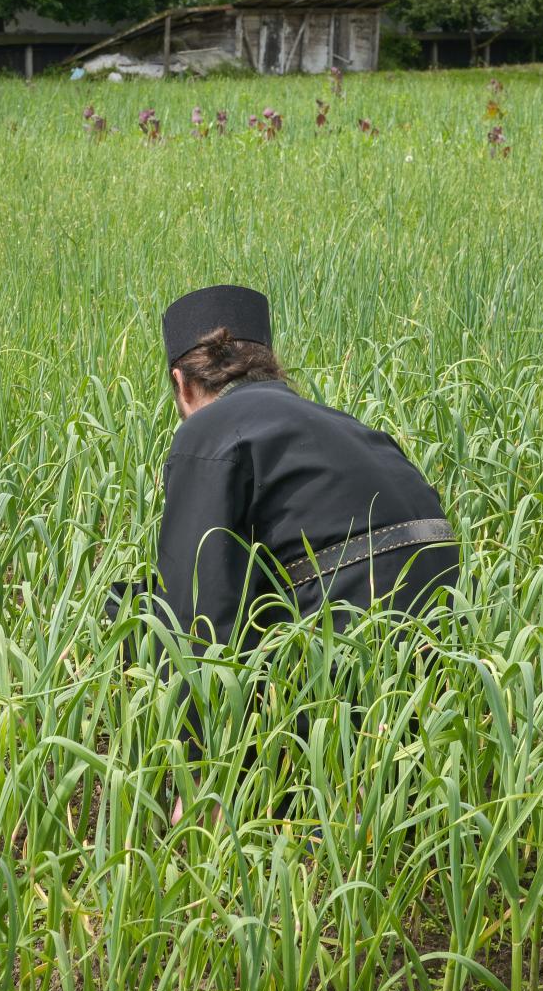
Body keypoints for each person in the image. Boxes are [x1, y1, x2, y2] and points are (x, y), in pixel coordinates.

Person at [115, 284, 460, 824]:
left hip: (344, 656)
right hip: (433, 667)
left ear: (181, 385)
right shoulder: (344, 425)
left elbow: (199, 607)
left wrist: (201, 771)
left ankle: (244, 792)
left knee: (135, 610)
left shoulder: (206, 432)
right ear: (268, 367)